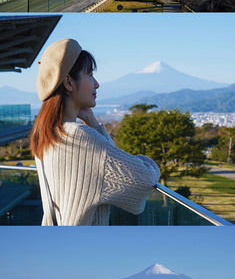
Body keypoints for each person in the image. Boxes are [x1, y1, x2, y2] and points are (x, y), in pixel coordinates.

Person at [31, 38, 160, 225]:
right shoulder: (78, 136)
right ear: (68, 82)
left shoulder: (45, 134)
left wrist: (91, 120)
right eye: (90, 75)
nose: (97, 84)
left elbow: (105, 161)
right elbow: (145, 177)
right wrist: (145, 161)